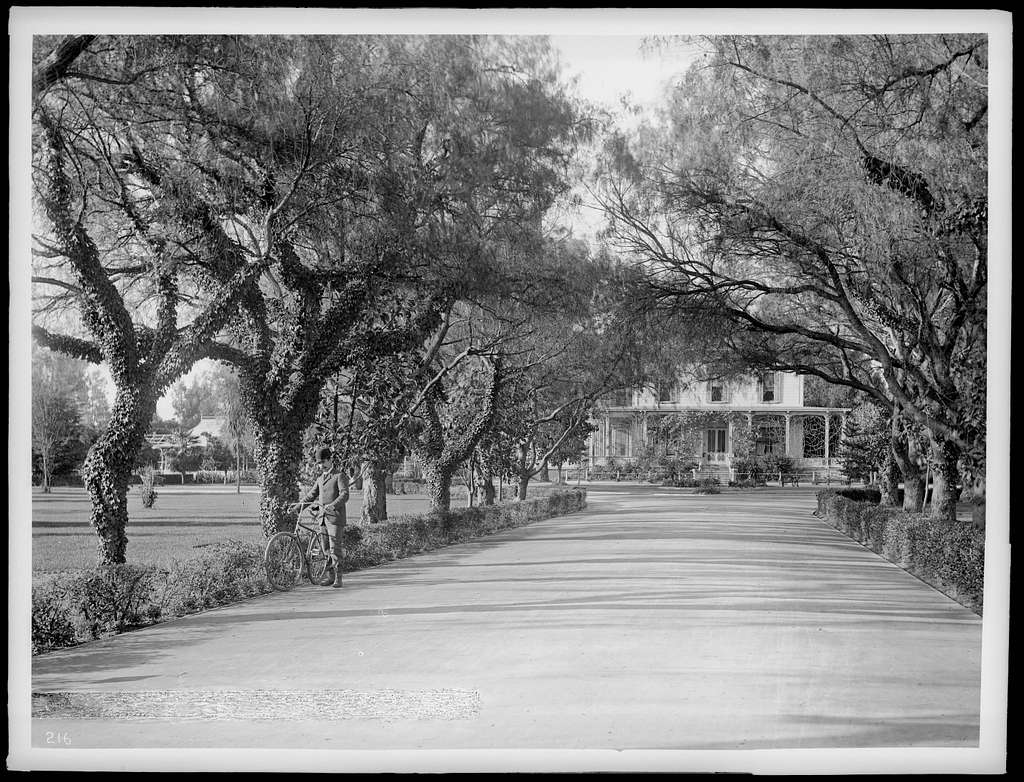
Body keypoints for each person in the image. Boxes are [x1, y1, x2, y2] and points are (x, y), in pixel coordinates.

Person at [289, 446, 348, 588]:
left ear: (330, 460)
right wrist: (297, 507)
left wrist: (333, 505)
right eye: (319, 463)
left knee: (335, 548)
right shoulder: (320, 479)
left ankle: (338, 578)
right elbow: (311, 495)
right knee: (325, 548)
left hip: (335, 518)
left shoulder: (339, 476)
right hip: (322, 518)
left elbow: (344, 494)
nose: (321, 465)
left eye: (323, 462)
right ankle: (330, 576)